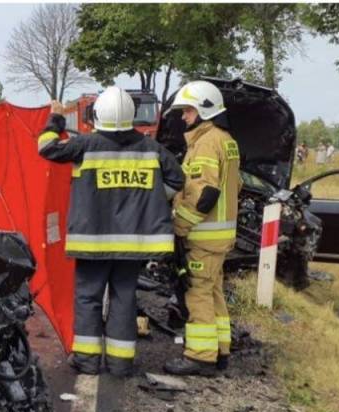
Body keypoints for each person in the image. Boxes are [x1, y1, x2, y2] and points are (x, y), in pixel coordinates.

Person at [38, 87, 184, 377]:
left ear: (97, 116)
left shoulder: (86, 144)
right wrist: (150, 200)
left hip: (92, 242)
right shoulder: (150, 148)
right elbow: (177, 179)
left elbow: (46, 147)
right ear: (131, 115)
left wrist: (55, 118)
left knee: (88, 298)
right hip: (133, 244)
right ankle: (120, 363)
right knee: (124, 299)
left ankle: (88, 361)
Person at [161, 81, 241, 376]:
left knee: (198, 295)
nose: (183, 117)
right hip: (220, 237)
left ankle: (200, 356)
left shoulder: (206, 142)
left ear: (204, 110)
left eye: (188, 111)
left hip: (203, 236)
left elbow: (203, 194)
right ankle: (220, 351)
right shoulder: (226, 140)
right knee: (214, 291)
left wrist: (179, 226)